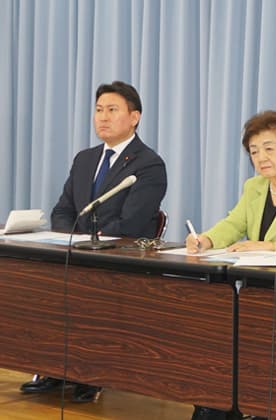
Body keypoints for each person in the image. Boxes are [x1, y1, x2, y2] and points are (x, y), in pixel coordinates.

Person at [19, 81, 167, 403]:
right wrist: (72, 240)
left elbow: (131, 224)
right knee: (37, 284)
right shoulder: (85, 159)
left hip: (118, 262)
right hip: (78, 255)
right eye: (99, 110)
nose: (103, 117)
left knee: (87, 289)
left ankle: (90, 373)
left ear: (134, 117)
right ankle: (55, 367)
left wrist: (88, 244)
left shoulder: (148, 165)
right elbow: (63, 211)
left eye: (112, 110)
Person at [186, 110, 276, 420]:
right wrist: (206, 240)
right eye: (254, 151)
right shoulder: (254, 187)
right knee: (214, 333)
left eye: (269, 148)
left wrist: (269, 247)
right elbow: (234, 223)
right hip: (254, 290)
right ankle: (218, 403)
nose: (261, 157)